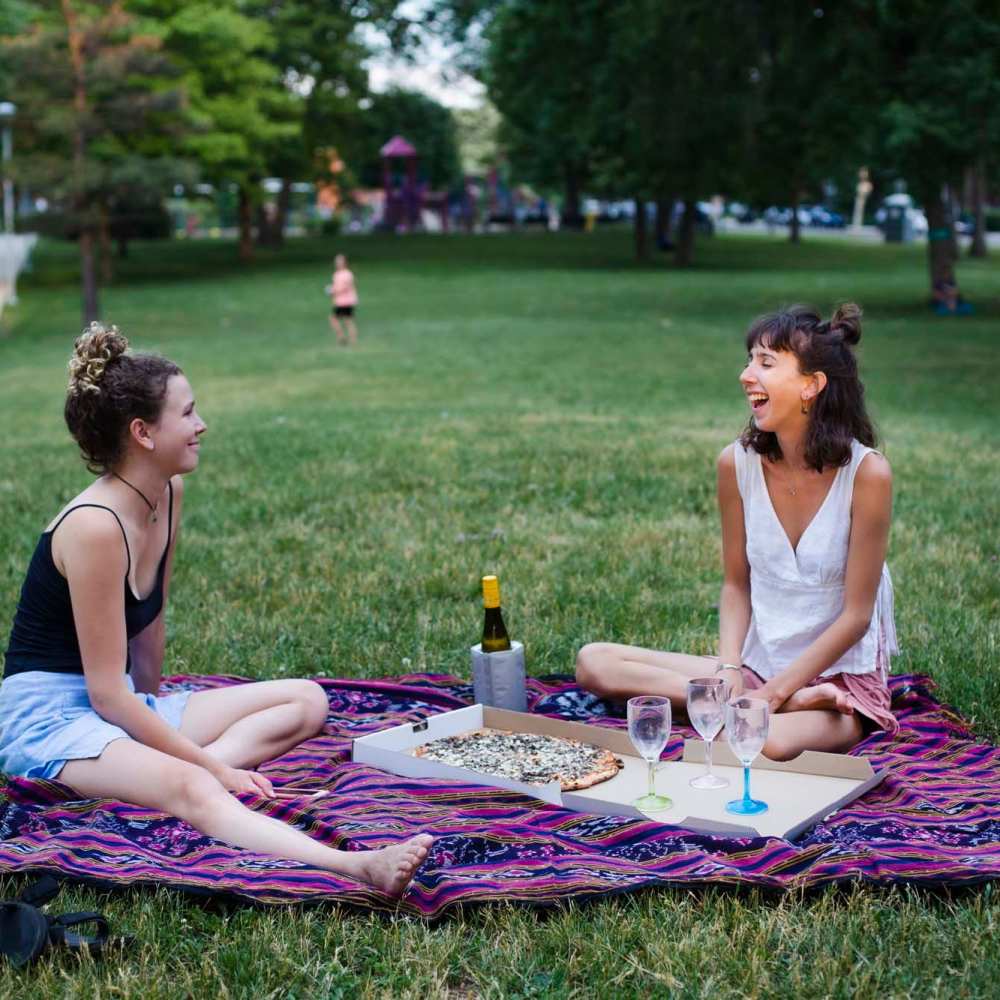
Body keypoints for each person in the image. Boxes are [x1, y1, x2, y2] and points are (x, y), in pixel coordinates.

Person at [0, 324, 431, 895]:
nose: (201, 424)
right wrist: (210, 768)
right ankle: (358, 866)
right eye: (187, 413)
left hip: (116, 703)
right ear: (142, 433)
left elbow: (147, 638)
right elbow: (106, 695)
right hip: (50, 718)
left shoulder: (166, 493)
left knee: (307, 700)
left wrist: (160, 728)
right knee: (195, 785)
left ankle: (185, 778)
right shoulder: (94, 527)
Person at [576, 304, 899, 760]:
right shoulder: (737, 464)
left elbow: (856, 617)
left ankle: (773, 705)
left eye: (766, 363)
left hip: (839, 682)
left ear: (811, 385)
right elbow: (735, 584)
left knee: (753, 740)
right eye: (750, 360)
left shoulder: (867, 474)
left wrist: (770, 695)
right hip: (757, 668)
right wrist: (730, 669)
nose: (747, 375)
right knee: (594, 662)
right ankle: (786, 703)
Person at [328, 254, 359, 345]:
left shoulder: (347, 274)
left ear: (345, 263)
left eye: (340, 262)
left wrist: (333, 291)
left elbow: (345, 287)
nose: (338, 264)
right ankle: (346, 338)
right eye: (337, 262)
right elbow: (336, 286)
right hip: (339, 301)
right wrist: (333, 290)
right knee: (346, 321)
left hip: (346, 301)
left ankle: (345, 338)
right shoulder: (336, 274)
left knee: (339, 320)